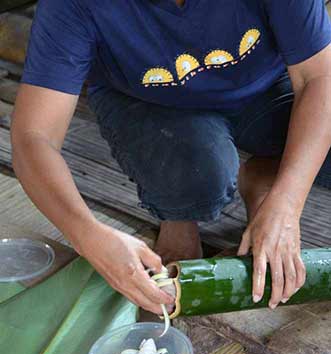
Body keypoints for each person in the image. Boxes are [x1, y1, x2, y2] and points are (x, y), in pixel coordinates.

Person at [11, 0, 331, 315]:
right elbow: (34, 136)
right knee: (196, 174)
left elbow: (318, 78)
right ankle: (177, 216)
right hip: (149, 99)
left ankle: (266, 176)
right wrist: (87, 235)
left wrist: (287, 206)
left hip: (268, 84)